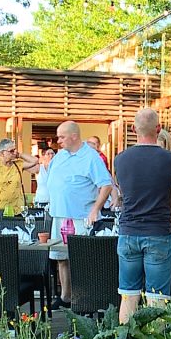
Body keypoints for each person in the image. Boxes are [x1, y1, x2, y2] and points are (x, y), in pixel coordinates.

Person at [112, 109, 171, 324]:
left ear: (133, 130)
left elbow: (122, 194)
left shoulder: (120, 160)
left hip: (128, 233)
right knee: (157, 300)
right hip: (159, 233)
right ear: (158, 129)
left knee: (128, 296)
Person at [47, 121, 113, 307]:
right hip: (59, 215)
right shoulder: (60, 156)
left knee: (81, 260)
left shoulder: (91, 157)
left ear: (74, 136)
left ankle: (83, 298)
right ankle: (66, 297)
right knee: (61, 258)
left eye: (61, 137)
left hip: (81, 217)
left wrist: (95, 210)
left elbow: (106, 185)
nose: (58, 141)